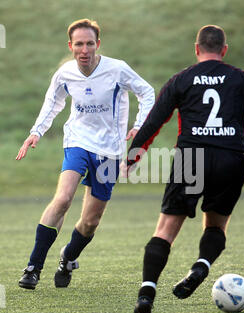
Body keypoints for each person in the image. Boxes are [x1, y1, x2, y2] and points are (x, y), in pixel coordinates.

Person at [121, 25, 244, 313]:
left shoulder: (182, 79)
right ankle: (201, 266)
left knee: (165, 230)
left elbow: (155, 120)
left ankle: (146, 295)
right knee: (215, 226)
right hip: (230, 158)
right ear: (224, 50)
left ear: (197, 48)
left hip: (192, 157)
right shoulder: (243, 79)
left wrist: (133, 156)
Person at [16, 18, 155, 290]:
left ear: (98, 44)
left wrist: (139, 125)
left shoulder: (117, 69)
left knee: (90, 222)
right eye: (79, 44)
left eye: (90, 43)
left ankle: (68, 257)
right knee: (63, 198)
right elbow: (52, 103)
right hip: (77, 142)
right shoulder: (65, 73)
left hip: (110, 151)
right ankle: (33, 267)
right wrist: (37, 131)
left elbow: (147, 92)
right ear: (70, 46)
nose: (84, 49)